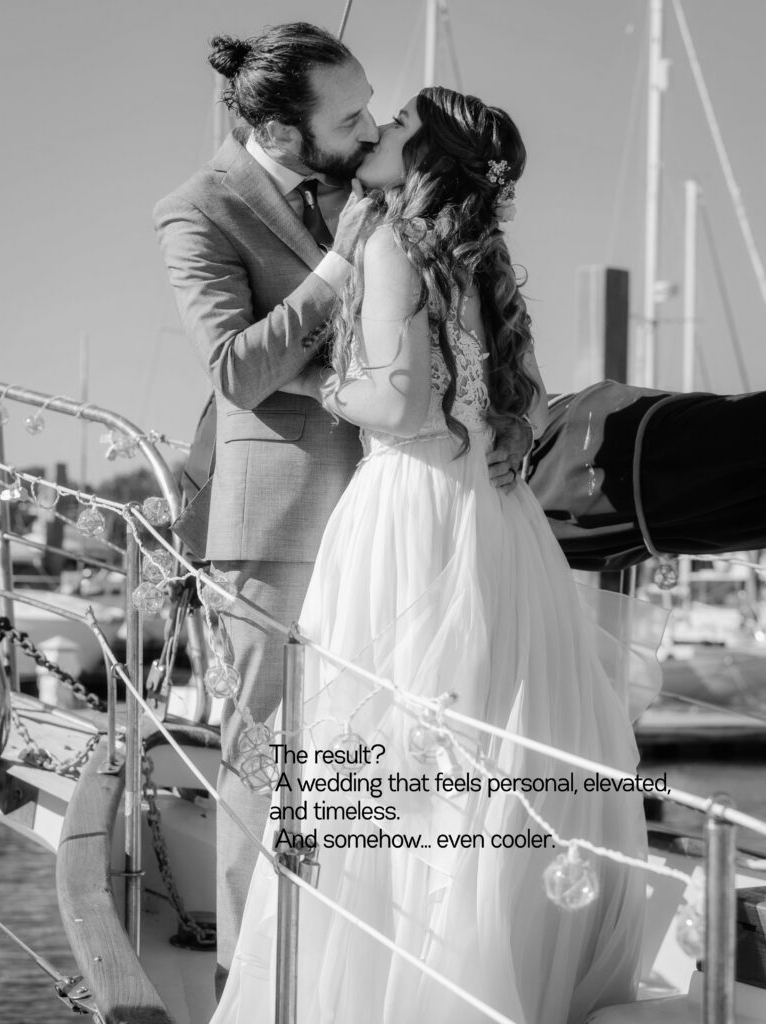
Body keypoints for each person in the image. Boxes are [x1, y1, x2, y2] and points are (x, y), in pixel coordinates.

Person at [212, 88, 660, 1024]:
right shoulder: (479, 258)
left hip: (409, 505)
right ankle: (490, 962)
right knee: (482, 737)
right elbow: (526, 408)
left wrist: (328, 383)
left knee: (387, 744)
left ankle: (396, 982)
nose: (376, 133)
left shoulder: (386, 243)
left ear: (425, 160)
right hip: (493, 516)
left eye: (398, 127)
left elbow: (397, 404)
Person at [153, 23, 527, 993]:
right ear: (280, 132)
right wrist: (333, 274)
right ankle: (252, 981)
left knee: (376, 762)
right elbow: (236, 370)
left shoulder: (367, 175)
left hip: (396, 515)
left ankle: (356, 977)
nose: (369, 129)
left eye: (371, 108)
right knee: (263, 764)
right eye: (350, 115)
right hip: (277, 529)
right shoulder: (197, 211)